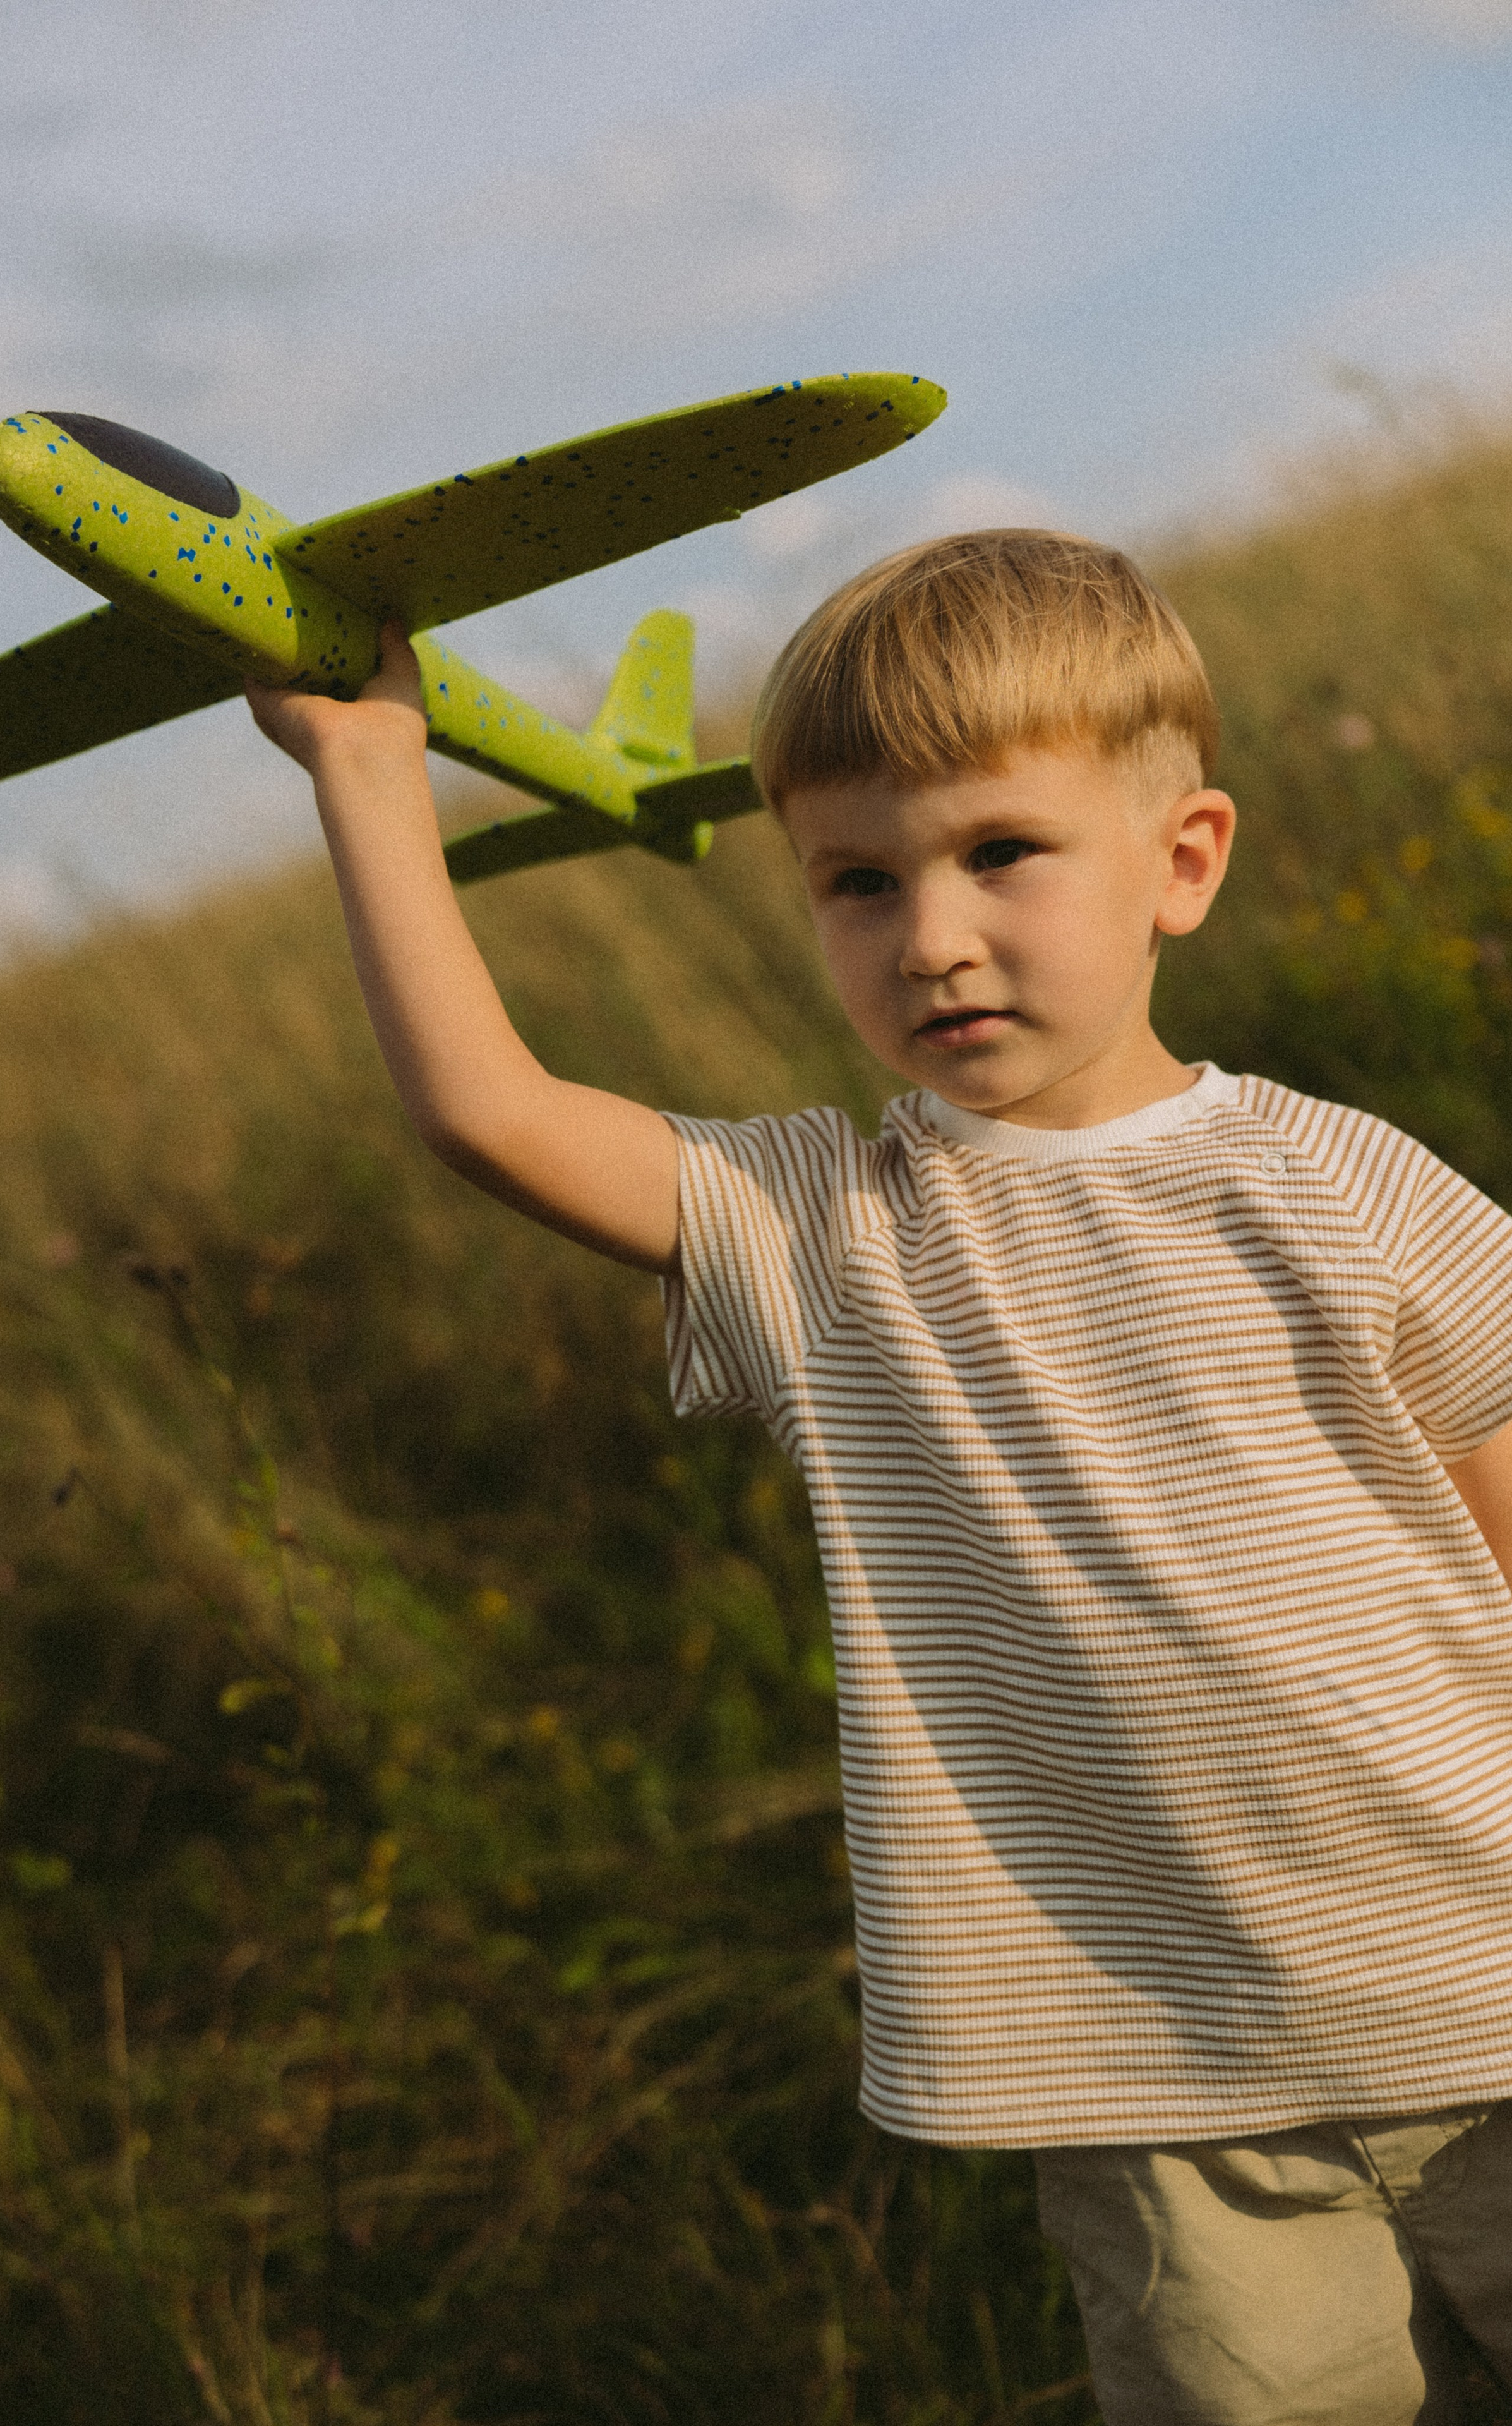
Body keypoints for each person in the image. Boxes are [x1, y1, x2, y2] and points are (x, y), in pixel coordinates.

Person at [247, 529, 1512, 2425]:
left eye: (1001, 853)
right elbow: (488, 1113)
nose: (928, 936)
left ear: (1185, 863)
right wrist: (368, 767)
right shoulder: (830, 1235)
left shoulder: (1349, 1181)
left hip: (1486, 1969)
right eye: (856, 880)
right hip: (1153, 2087)